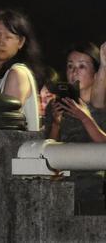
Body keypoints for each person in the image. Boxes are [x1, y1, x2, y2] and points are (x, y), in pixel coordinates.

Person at [45, 42, 106, 215]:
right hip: (61, 187)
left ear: (95, 73)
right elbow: (48, 146)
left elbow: (103, 144)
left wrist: (84, 117)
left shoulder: (101, 107)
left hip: (93, 189)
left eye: (82, 66)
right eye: (70, 66)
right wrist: (56, 123)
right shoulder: (55, 104)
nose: (74, 72)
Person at [0, 8, 42, 131]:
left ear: (21, 42)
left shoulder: (17, 73)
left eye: (8, 37)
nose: (1, 42)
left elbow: (3, 124)